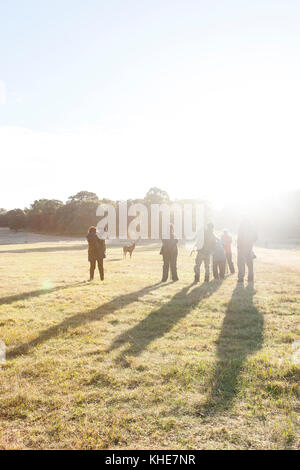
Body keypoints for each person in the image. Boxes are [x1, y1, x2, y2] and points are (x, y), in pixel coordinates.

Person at [237, 219, 257, 284]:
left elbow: (239, 237)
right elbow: (256, 237)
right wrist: (251, 242)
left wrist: (238, 245)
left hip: (242, 248)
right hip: (250, 247)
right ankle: (250, 279)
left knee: (241, 264)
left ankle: (241, 279)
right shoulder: (252, 227)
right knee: (250, 264)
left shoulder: (241, 227)